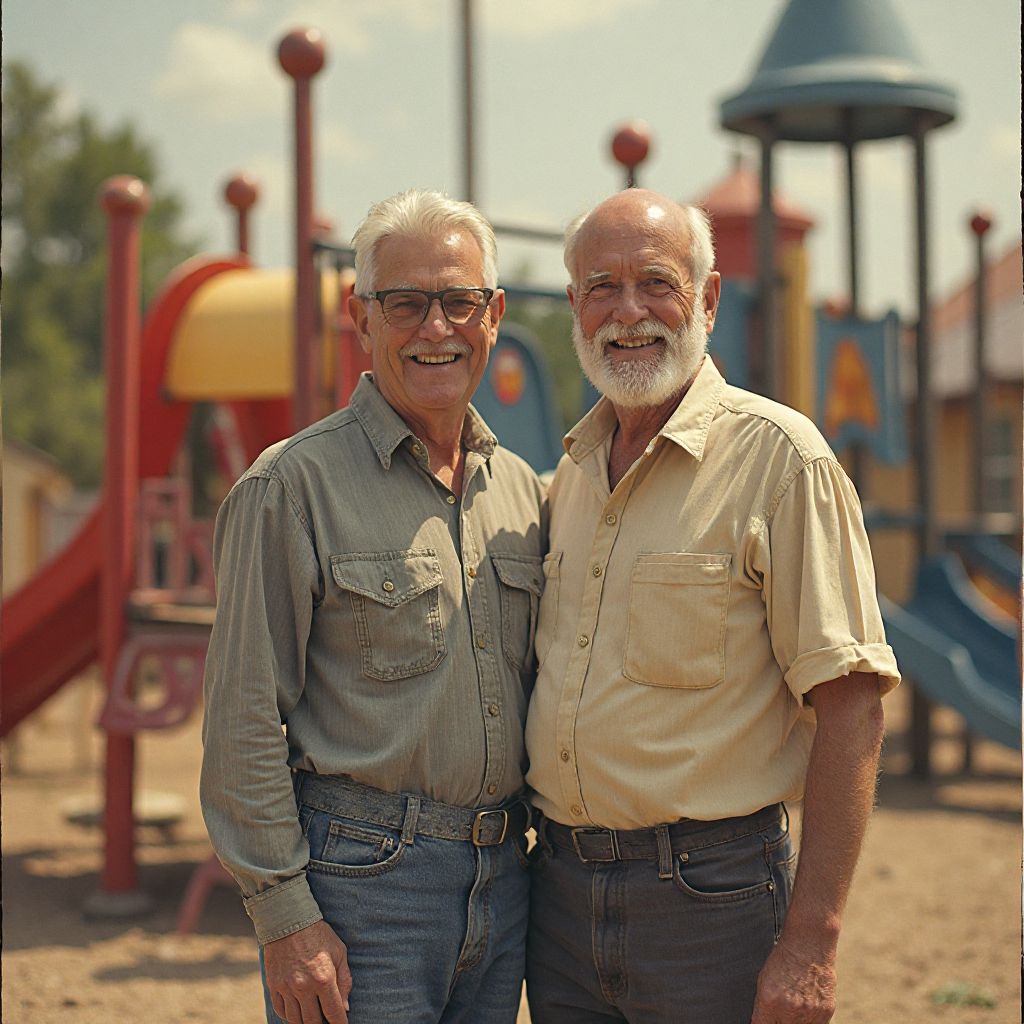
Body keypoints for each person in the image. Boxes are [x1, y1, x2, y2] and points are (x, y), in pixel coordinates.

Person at [524, 188, 900, 1024]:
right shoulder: (568, 480)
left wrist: (811, 943)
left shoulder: (781, 461)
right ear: (574, 305)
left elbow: (852, 707)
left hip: (709, 903)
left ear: (709, 298)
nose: (629, 312)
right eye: (601, 286)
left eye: (657, 282)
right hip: (555, 902)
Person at [201, 189, 547, 1024]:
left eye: (460, 301)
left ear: (493, 315)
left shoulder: (528, 496)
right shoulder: (289, 488)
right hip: (359, 889)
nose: (437, 327)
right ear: (362, 319)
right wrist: (286, 919)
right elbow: (244, 718)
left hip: (505, 888)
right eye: (405, 303)